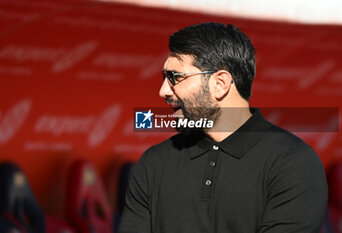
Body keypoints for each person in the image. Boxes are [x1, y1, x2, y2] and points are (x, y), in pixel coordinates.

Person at [118, 22, 328, 233]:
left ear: (220, 83)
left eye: (175, 77)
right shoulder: (153, 163)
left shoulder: (293, 163)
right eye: (164, 77)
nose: (163, 91)